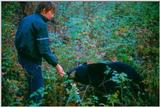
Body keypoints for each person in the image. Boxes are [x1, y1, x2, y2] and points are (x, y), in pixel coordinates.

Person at [14, 2, 65, 105]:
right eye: (52, 12)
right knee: (38, 91)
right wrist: (56, 65)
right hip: (32, 61)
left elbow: (17, 39)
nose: (52, 15)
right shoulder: (40, 24)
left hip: (22, 58)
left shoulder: (26, 19)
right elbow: (44, 50)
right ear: (44, 10)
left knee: (32, 87)